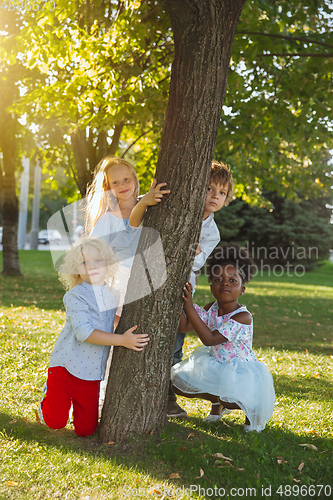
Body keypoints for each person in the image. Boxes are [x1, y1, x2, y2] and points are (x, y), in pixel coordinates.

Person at [36, 237, 150, 437]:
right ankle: (48, 399)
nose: (92, 266)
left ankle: (68, 408)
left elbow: (110, 319)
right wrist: (122, 340)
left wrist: (123, 328)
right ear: (75, 269)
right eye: (84, 263)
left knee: (86, 430)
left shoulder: (113, 295)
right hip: (66, 366)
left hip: (92, 372)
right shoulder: (74, 296)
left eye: (98, 260)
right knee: (55, 422)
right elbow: (84, 333)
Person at [171, 243, 275, 432]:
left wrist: (189, 307)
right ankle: (216, 409)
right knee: (181, 382)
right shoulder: (212, 307)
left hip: (240, 368)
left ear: (242, 289)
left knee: (234, 398)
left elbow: (209, 339)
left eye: (232, 280)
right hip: (217, 362)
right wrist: (180, 303)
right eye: (219, 279)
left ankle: (252, 417)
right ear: (212, 288)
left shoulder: (242, 317)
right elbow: (185, 325)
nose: (225, 283)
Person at [164, 161, 234, 417]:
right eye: (209, 189)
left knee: (174, 343)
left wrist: (190, 249)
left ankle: (166, 397)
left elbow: (195, 261)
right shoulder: (178, 210)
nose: (215, 196)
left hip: (181, 288)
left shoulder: (211, 231)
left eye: (222, 192)